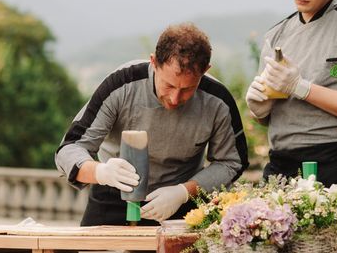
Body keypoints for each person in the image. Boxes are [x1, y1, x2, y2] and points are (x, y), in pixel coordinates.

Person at [55, 23, 249, 226]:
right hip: (112, 196)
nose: (175, 99)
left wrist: (184, 192)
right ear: (154, 62)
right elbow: (69, 149)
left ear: (206, 71)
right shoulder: (121, 84)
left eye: (188, 89)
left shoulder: (218, 101)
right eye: (169, 85)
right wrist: (101, 172)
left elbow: (231, 162)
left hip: (180, 205)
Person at [246, 0, 337, 247]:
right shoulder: (276, 33)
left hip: (335, 167)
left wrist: (301, 87)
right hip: (281, 166)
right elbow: (265, 116)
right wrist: (258, 107)